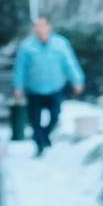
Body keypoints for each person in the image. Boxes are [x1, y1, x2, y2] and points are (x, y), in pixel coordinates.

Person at [13, 17, 85, 157]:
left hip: (54, 88)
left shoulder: (61, 44)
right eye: (36, 26)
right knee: (34, 120)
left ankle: (44, 136)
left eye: (42, 25)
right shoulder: (27, 46)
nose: (39, 29)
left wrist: (77, 81)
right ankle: (40, 144)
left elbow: (70, 64)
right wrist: (18, 87)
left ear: (49, 27)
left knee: (55, 116)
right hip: (34, 89)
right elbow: (20, 69)